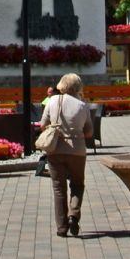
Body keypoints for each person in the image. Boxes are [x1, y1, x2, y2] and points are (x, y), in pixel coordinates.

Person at [37, 72, 93, 238]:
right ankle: (73, 214)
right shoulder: (82, 105)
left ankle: (61, 228)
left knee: (58, 188)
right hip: (77, 150)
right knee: (77, 184)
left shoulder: (53, 101)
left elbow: (42, 125)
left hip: (55, 149)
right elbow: (89, 133)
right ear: (78, 87)